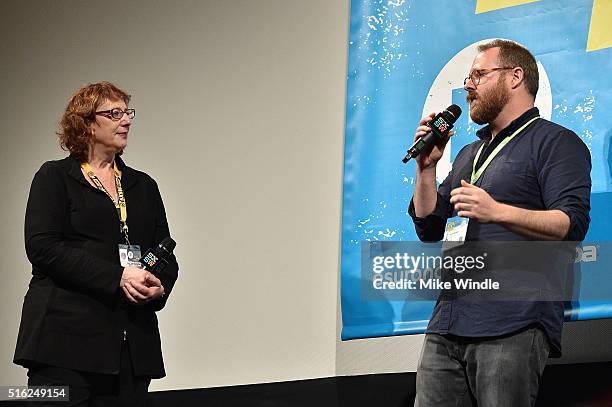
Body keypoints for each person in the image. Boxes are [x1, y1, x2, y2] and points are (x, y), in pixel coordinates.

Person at [409, 40, 591, 406]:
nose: (468, 85)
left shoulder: (556, 143)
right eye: (468, 77)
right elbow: (429, 226)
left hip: (513, 320)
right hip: (448, 322)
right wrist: (426, 168)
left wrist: (497, 211)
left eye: (479, 74)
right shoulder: (467, 154)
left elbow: (571, 224)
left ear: (515, 77)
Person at [14, 82, 179, 406]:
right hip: (63, 345)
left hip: (130, 350)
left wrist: (159, 287)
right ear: (86, 123)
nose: (126, 120)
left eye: (127, 112)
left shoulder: (143, 186)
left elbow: (165, 252)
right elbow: (43, 247)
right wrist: (117, 277)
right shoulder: (55, 177)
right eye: (114, 113)